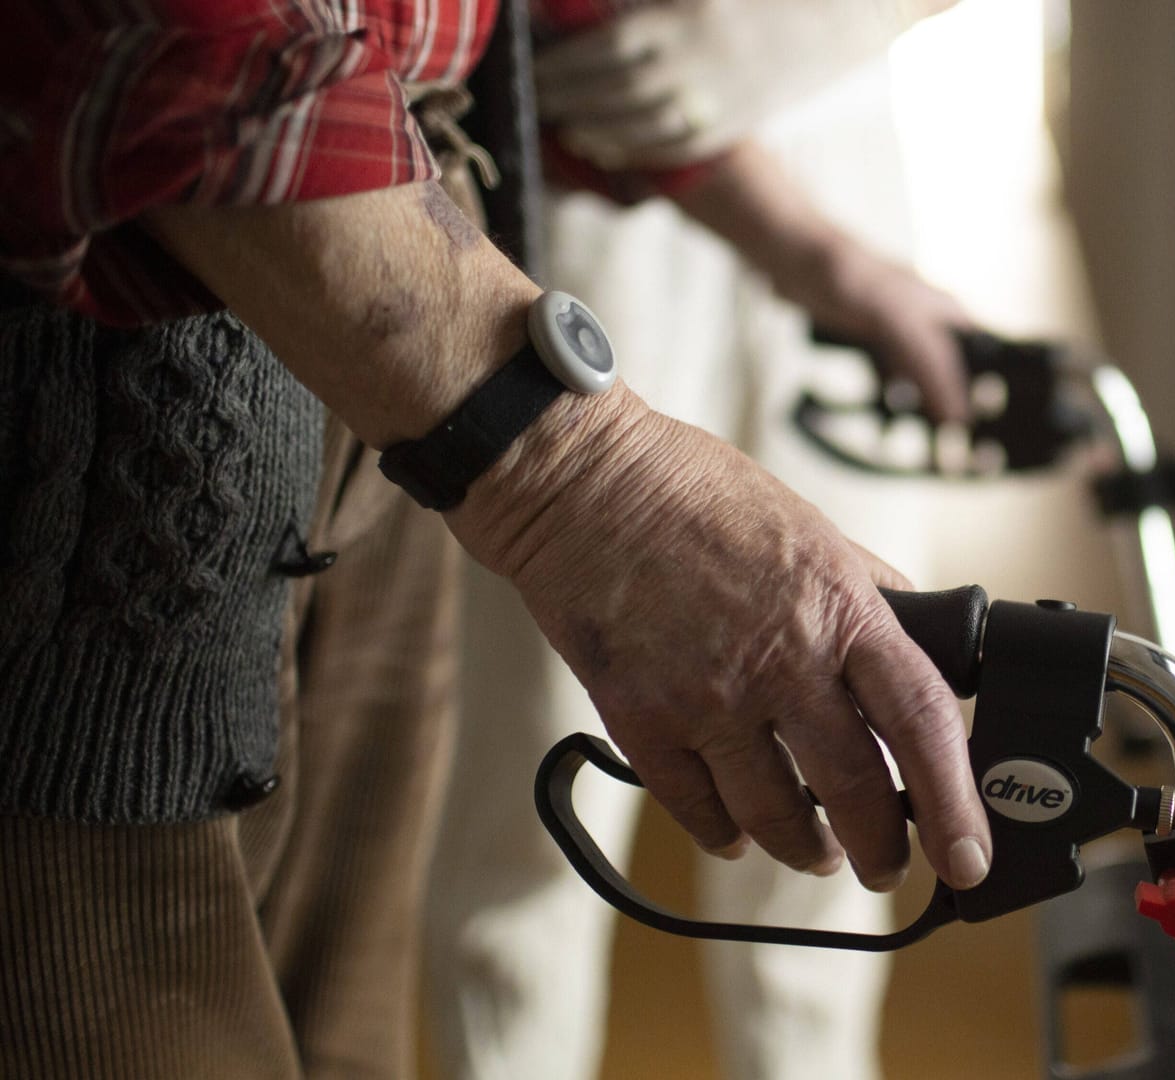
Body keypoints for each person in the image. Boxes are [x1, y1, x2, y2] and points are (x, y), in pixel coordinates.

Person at [0, 1, 987, 1075]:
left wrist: (816, 250)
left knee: (343, 1026)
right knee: (162, 1010)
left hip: (398, 342)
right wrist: (576, 473)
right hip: (145, 413)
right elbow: (187, 39)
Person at [426, 5, 965, 1078]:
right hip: (581, 164)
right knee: (539, 765)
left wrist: (814, 22)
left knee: (851, 746)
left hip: (832, 120)